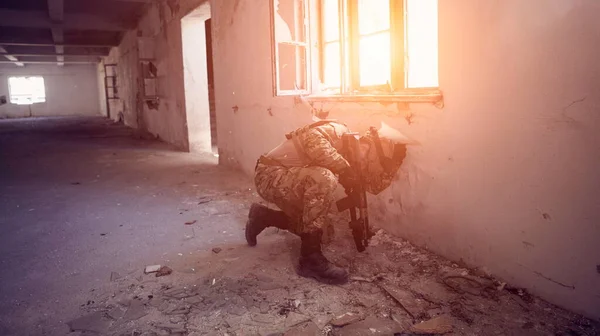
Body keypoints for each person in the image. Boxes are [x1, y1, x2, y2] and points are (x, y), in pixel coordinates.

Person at [245, 119, 408, 284]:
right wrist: (344, 169)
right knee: (324, 178)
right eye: (369, 153)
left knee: (324, 233)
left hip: (289, 182)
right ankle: (309, 259)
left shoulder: (353, 157)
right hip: (269, 174)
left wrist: (395, 162)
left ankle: (264, 216)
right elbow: (312, 140)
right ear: (367, 142)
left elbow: (372, 186)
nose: (367, 158)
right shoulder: (339, 130)